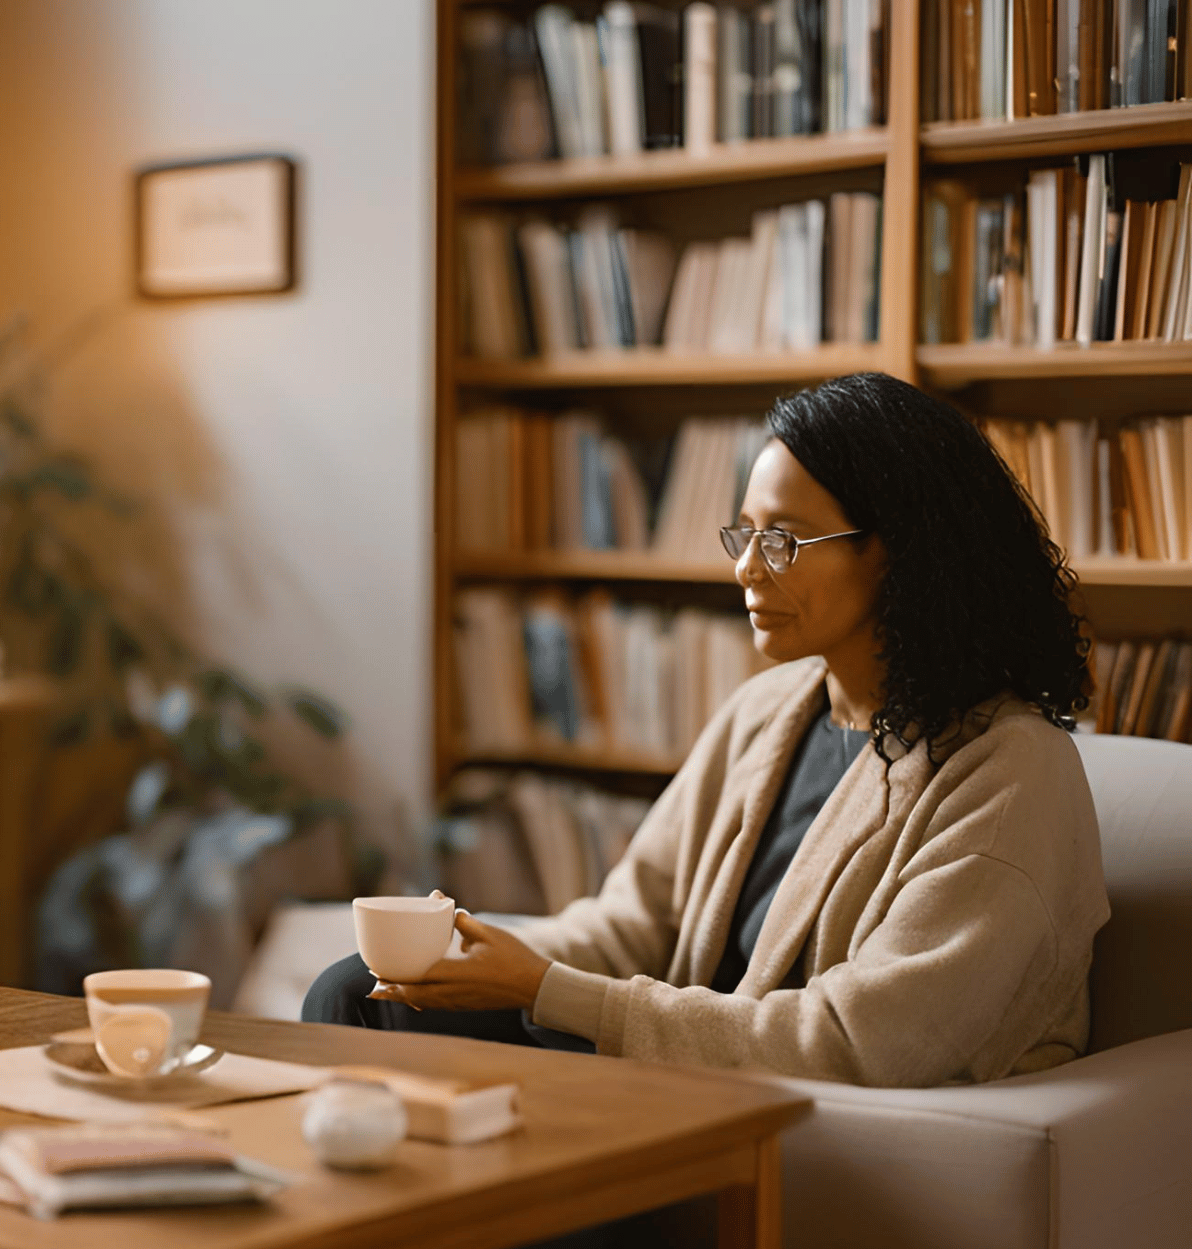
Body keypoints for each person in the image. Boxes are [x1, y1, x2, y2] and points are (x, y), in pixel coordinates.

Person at [306, 372, 1109, 1088]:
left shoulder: (1010, 773)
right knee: (355, 990)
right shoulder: (770, 711)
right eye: (744, 533)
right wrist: (474, 954)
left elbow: (867, 1039)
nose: (746, 568)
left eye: (783, 540)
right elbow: (634, 924)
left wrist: (546, 990)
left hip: (790, 1103)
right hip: (679, 1066)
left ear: (900, 556)